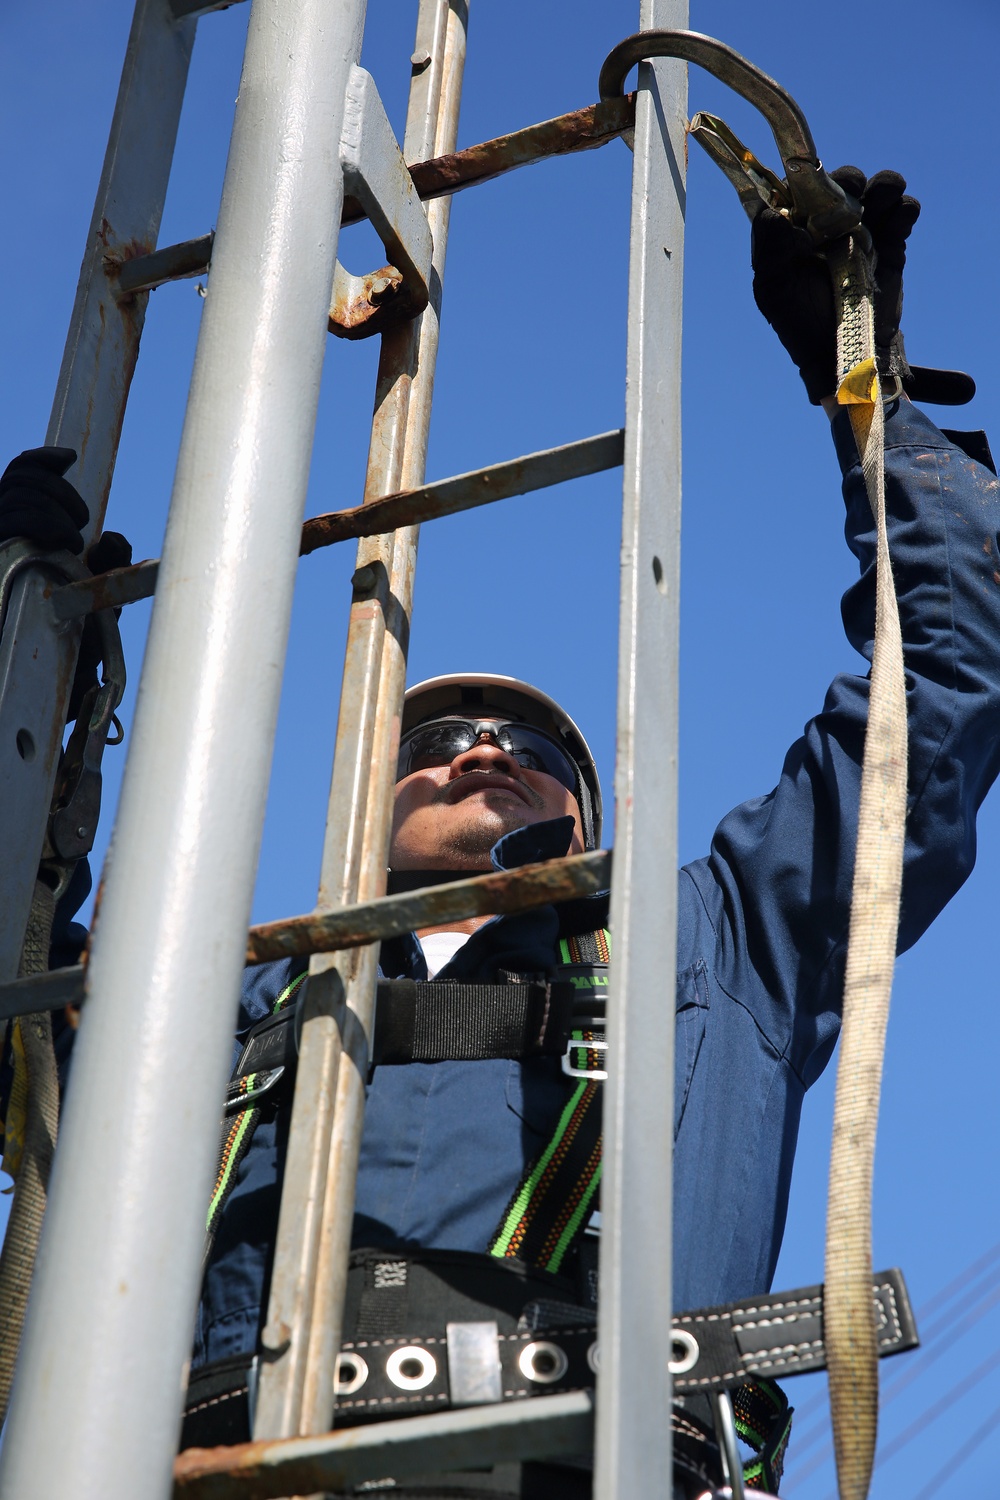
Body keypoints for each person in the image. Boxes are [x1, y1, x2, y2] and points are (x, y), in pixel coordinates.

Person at [3, 167, 1000, 1498]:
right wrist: (16, 651)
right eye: (431, 743)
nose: (483, 753)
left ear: (586, 818)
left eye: (534, 753)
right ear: (362, 807)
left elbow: (938, 693)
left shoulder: (712, 951)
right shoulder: (208, 998)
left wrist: (861, 392)